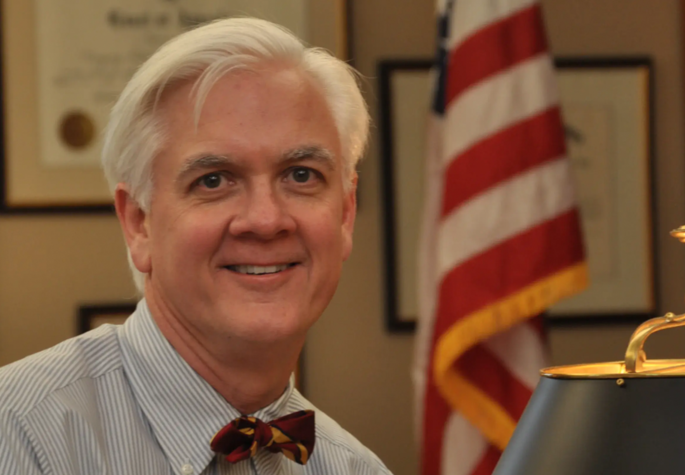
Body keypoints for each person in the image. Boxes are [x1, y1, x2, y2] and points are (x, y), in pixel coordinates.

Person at [0, 17, 392, 475]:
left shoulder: (353, 468)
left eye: (301, 175)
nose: (266, 220)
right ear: (138, 223)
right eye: (213, 181)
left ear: (345, 214)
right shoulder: (19, 433)